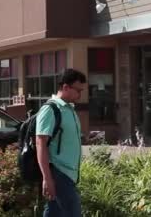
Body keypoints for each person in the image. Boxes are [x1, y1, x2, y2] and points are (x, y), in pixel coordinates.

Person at [35, 68, 86, 217]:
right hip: (58, 172)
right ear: (65, 87)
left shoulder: (69, 109)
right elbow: (40, 143)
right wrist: (47, 178)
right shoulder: (50, 109)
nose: (80, 95)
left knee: (54, 212)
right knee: (72, 212)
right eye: (78, 90)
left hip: (69, 174)